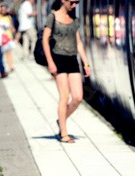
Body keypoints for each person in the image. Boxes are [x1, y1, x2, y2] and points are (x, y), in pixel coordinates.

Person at [42, 0, 90, 143]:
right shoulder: (53, 17)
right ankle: (64, 133)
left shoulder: (74, 20)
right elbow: (45, 40)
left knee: (77, 97)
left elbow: (79, 42)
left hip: (72, 59)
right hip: (58, 58)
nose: (74, 5)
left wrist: (85, 62)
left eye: (76, 3)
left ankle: (61, 120)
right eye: (72, 2)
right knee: (64, 97)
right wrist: (50, 62)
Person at [0, 2, 15, 71]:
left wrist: (13, 31)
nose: (3, 11)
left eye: (4, 10)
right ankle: (1, 66)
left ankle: (10, 66)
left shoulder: (9, 17)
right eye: (2, 10)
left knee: (8, 52)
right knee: (1, 53)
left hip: (8, 36)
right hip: (1, 37)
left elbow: (12, 26)